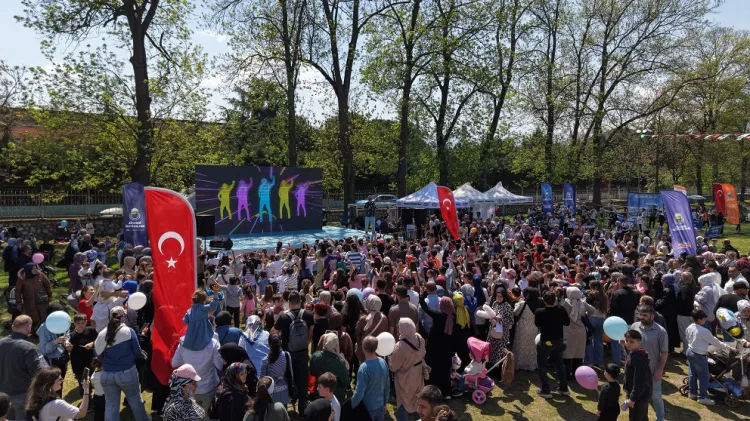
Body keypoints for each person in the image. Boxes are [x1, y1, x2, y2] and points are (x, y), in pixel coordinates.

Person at [94, 306, 149, 421]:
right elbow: (137, 353)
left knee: (111, 405)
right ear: (123, 316)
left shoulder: (101, 334)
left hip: (107, 374)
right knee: (135, 400)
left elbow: (99, 356)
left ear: (109, 317)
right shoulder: (128, 331)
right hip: (127, 372)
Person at [172, 316, 225, 417]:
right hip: (209, 387)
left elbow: (174, 363)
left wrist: (187, 358)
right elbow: (219, 365)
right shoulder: (213, 343)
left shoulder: (183, 343)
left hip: (190, 387)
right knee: (206, 415)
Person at [271, 291, 313, 413]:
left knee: (288, 379)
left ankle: (289, 404)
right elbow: (310, 335)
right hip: (303, 352)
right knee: (303, 380)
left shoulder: (283, 317)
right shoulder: (308, 315)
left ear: (289, 302)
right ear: (300, 301)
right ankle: (302, 409)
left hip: (288, 354)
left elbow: (273, 332)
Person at [0, 315, 47, 421]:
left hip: (3, 395)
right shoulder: (28, 347)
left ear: (13, 327)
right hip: (23, 395)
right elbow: (38, 373)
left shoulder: (1, 343)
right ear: (28, 327)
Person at [685, 309, 736, 405]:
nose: (705, 320)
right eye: (704, 318)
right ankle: (702, 397)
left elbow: (688, 338)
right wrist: (729, 347)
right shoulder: (704, 331)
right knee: (704, 377)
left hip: (690, 351)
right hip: (699, 355)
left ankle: (692, 393)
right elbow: (716, 342)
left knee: (693, 373)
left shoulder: (690, 327)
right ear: (699, 319)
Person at [629, 305, 668, 421]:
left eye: (645, 315)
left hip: (652, 370)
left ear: (652, 316)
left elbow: (664, 352)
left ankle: (660, 418)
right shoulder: (634, 326)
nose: (641, 317)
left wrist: (660, 370)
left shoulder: (661, 331)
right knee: (636, 394)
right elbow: (630, 345)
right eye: (640, 315)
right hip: (636, 369)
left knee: (656, 396)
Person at [535, 290, 571, 398]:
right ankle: (564, 388)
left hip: (546, 341)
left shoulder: (539, 311)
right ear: (555, 299)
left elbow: (537, 324)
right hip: (558, 340)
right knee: (560, 363)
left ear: (544, 301)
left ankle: (546, 390)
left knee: (542, 365)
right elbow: (567, 322)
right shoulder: (561, 309)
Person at [418, 295, 456, 398]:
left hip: (434, 348)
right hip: (446, 349)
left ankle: (432, 391)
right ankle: (446, 393)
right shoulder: (452, 317)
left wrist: (421, 298)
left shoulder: (438, 316)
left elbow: (427, 309)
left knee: (434, 370)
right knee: (445, 371)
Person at [389, 318, 426, 421]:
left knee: (402, 402)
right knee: (417, 400)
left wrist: (389, 358)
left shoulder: (400, 346)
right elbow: (423, 353)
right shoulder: (419, 338)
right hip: (418, 375)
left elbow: (393, 367)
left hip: (405, 378)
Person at [25, 367, 90, 420]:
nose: (62, 381)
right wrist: (86, 390)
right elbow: (81, 413)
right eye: (60, 379)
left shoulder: (36, 398)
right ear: (50, 383)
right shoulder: (56, 404)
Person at [350, 336, 389, 421]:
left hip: (367, 408)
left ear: (363, 348)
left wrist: (350, 406)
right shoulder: (383, 362)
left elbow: (359, 393)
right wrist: (384, 403)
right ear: (376, 348)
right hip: (380, 405)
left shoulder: (364, 368)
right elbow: (387, 386)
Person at [562, 287, 595, 379]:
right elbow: (592, 310)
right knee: (578, 354)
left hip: (568, 330)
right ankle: (577, 374)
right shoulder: (583, 303)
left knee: (567, 354)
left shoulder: (565, 303)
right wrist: (584, 315)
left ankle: (567, 375)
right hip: (581, 331)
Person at [609, 274, 641, 367]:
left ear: (619, 282)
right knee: (630, 345)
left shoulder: (617, 293)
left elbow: (613, 309)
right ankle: (631, 363)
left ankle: (616, 364)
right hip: (631, 322)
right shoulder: (636, 293)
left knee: (616, 345)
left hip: (619, 323)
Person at [37, 304, 71, 387]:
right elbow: (43, 350)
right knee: (52, 386)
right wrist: (55, 342)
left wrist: (67, 341)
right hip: (52, 362)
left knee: (60, 383)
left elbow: (67, 335)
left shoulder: (64, 322)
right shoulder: (44, 329)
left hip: (63, 359)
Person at [309, 333, 349, 404]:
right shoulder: (339, 361)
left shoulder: (315, 356)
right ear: (336, 344)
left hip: (319, 393)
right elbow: (346, 380)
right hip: (335, 397)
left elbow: (312, 372)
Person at [622, 330, 652, 421]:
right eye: (626, 340)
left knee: (636, 417)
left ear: (639, 343)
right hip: (637, 394)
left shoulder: (638, 358)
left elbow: (639, 381)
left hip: (638, 396)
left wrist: (632, 398)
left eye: (631, 341)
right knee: (641, 417)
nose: (628, 343)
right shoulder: (635, 353)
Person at [16, 263, 53, 329]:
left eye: (36, 268)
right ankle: (34, 328)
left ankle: (44, 328)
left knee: (44, 314)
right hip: (29, 301)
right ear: (28, 269)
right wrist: (19, 303)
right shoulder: (22, 278)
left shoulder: (40, 275)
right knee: (33, 316)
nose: (35, 269)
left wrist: (49, 296)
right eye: (33, 268)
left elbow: (47, 285)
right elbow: (18, 291)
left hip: (42, 299)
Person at [512, 287, 541, 371]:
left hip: (522, 327)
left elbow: (515, 313)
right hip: (534, 327)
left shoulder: (522, 304)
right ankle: (530, 364)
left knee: (520, 346)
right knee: (531, 347)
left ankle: (519, 363)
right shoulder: (539, 303)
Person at [354, 295, 390, 363]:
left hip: (365, 350)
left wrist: (360, 343)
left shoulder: (363, 319)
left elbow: (357, 333)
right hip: (379, 350)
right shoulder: (384, 318)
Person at [68, 313, 97, 394]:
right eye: (78, 323)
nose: (81, 325)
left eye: (83, 323)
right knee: (82, 381)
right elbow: (69, 348)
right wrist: (69, 347)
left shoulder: (91, 331)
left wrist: (92, 343)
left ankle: (89, 394)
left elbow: (99, 340)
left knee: (89, 378)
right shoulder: (72, 335)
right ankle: (85, 396)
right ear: (74, 323)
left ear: (86, 322)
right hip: (77, 363)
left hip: (90, 361)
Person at [260, 335, 292, 407]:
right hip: (284, 390)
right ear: (280, 342)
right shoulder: (287, 355)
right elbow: (291, 374)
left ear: (269, 344)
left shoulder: (265, 360)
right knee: (283, 411)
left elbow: (262, 379)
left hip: (271, 393)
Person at [585, 281, 609, 368]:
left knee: (589, 341)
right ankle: (599, 362)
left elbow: (586, 306)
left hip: (592, 318)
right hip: (602, 318)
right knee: (599, 341)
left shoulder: (592, 295)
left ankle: (589, 361)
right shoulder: (605, 296)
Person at [676, 272, 699, 355]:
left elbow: (683, 300)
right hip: (692, 313)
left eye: (681, 276)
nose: (680, 278)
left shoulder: (683, 288)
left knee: (684, 334)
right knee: (692, 333)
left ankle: (685, 352)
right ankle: (692, 350)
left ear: (684, 278)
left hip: (683, 314)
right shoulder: (695, 287)